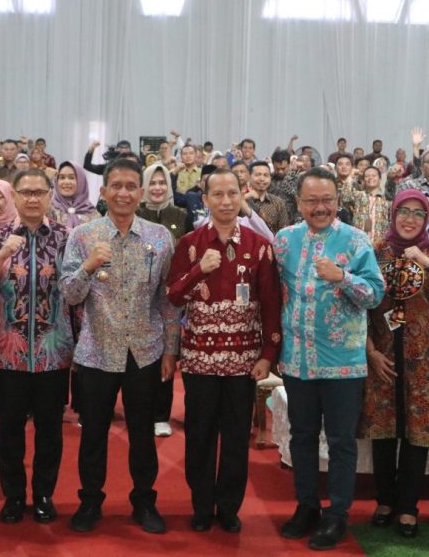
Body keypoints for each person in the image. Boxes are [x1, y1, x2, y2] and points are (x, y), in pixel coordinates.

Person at [59, 158, 181, 535]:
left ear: (140, 193)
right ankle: (90, 502)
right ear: (104, 191)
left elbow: (167, 300)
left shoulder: (159, 237)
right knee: (93, 434)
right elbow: (70, 294)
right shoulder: (84, 236)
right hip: (97, 351)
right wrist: (89, 265)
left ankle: (144, 501)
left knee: (142, 434)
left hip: (145, 350)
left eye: (131, 186)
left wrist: (170, 350)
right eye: (116, 186)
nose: (124, 193)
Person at [273, 167, 385, 551]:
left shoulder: (356, 241)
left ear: (338, 201)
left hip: (342, 362)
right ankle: (306, 506)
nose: (320, 208)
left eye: (327, 200)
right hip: (297, 359)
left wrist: (343, 277)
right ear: (298, 202)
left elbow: (375, 294)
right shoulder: (284, 241)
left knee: (340, 442)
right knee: (302, 437)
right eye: (312, 201)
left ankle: (337, 515)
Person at [165, 168, 282, 533]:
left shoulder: (259, 246)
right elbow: (173, 296)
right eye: (218, 194)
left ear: (241, 196)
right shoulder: (190, 244)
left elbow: (271, 303)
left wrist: (268, 355)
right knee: (199, 436)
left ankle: (229, 507)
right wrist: (198, 270)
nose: (227, 201)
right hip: (199, 360)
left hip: (244, 362)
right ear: (205, 200)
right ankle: (202, 505)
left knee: (235, 437)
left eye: (233, 193)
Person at [358, 190, 429, 539]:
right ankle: (385, 502)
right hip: (382, 356)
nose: (409, 219)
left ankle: (408, 506)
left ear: (427, 218)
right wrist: (370, 351)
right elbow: (357, 306)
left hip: (424, 358)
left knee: (416, 435)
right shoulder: (374, 252)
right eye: (403, 211)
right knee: (383, 432)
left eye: (418, 213)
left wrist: (426, 262)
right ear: (393, 214)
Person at [0, 169, 73, 525]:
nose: (32, 198)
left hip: (53, 352)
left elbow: (77, 290)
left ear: (49, 196)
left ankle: (44, 495)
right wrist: (3, 254)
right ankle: (13, 496)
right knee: (10, 431)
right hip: (6, 352)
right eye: (26, 192)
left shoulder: (65, 238)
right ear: (14, 196)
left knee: (50, 431)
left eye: (39, 192)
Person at [135, 162, 192, 438]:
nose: (157, 188)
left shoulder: (180, 214)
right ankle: (139, 413)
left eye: (162, 183)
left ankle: (160, 415)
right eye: (153, 183)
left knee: (166, 354)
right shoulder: (135, 213)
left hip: (170, 295)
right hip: (138, 296)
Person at [48, 162, 97, 230]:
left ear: (81, 181)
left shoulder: (93, 214)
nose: (66, 182)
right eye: (62, 177)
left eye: (71, 178)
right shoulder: (47, 210)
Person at [246, 161, 290, 235]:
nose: (262, 179)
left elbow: (284, 232)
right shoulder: (243, 201)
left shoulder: (278, 202)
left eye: (266, 175)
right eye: (258, 175)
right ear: (249, 177)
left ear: (270, 178)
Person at [354, 166, 391, 242]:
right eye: (367, 176)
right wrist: (352, 174)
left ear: (380, 179)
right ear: (363, 180)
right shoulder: (358, 195)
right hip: (359, 242)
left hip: (379, 243)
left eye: (374, 175)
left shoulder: (387, 200)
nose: (370, 178)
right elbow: (345, 197)